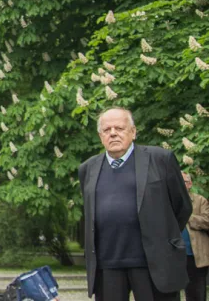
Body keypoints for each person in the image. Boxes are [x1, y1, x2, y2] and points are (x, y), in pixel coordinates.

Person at [79, 107, 192, 300]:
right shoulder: (87, 168)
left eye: (119, 128)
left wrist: (161, 236)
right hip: (108, 265)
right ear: (100, 136)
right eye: (107, 130)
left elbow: (182, 207)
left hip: (152, 263)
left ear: (133, 132)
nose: (113, 133)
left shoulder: (160, 159)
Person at [182, 172, 209, 301]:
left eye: (185, 182)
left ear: (190, 184)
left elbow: (207, 220)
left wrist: (187, 216)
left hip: (195, 255)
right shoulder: (167, 201)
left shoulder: (200, 200)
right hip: (174, 255)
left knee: (197, 294)